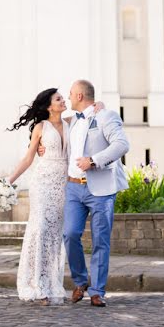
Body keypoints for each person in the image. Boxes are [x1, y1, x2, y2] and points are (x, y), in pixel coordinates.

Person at [39, 79, 129, 307]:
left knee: (100, 241)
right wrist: (41, 146)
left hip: (101, 189)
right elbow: (50, 128)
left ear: (79, 96)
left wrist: (94, 160)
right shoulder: (72, 122)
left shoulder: (106, 117)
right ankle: (80, 281)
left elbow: (121, 145)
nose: (68, 98)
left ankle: (97, 291)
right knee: (69, 234)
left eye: (70, 94)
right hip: (73, 188)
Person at [6, 88, 70, 305]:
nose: (63, 100)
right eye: (59, 99)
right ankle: (37, 286)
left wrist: (99, 106)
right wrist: (8, 181)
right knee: (41, 230)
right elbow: (28, 158)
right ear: (49, 106)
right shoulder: (41, 127)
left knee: (55, 235)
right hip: (42, 183)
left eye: (63, 98)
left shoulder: (72, 123)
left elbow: (92, 111)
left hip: (63, 185)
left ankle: (52, 283)